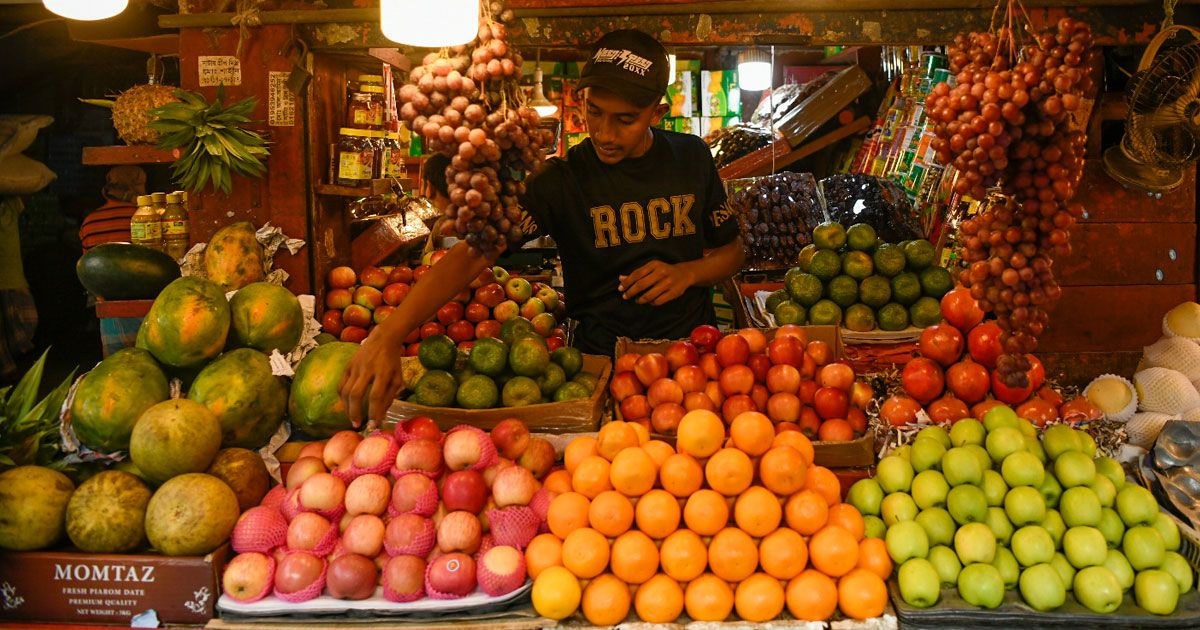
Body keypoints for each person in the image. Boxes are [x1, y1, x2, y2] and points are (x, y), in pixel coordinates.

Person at [341, 29, 745, 425]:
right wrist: (388, 335)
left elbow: (733, 252)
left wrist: (688, 273)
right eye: (594, 111)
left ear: (658, 111)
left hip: (691, 356)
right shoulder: (560, 180)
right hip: (602, 366)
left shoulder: (691, 158)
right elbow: (473, 254)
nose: (604, 133)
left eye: (626, 120)